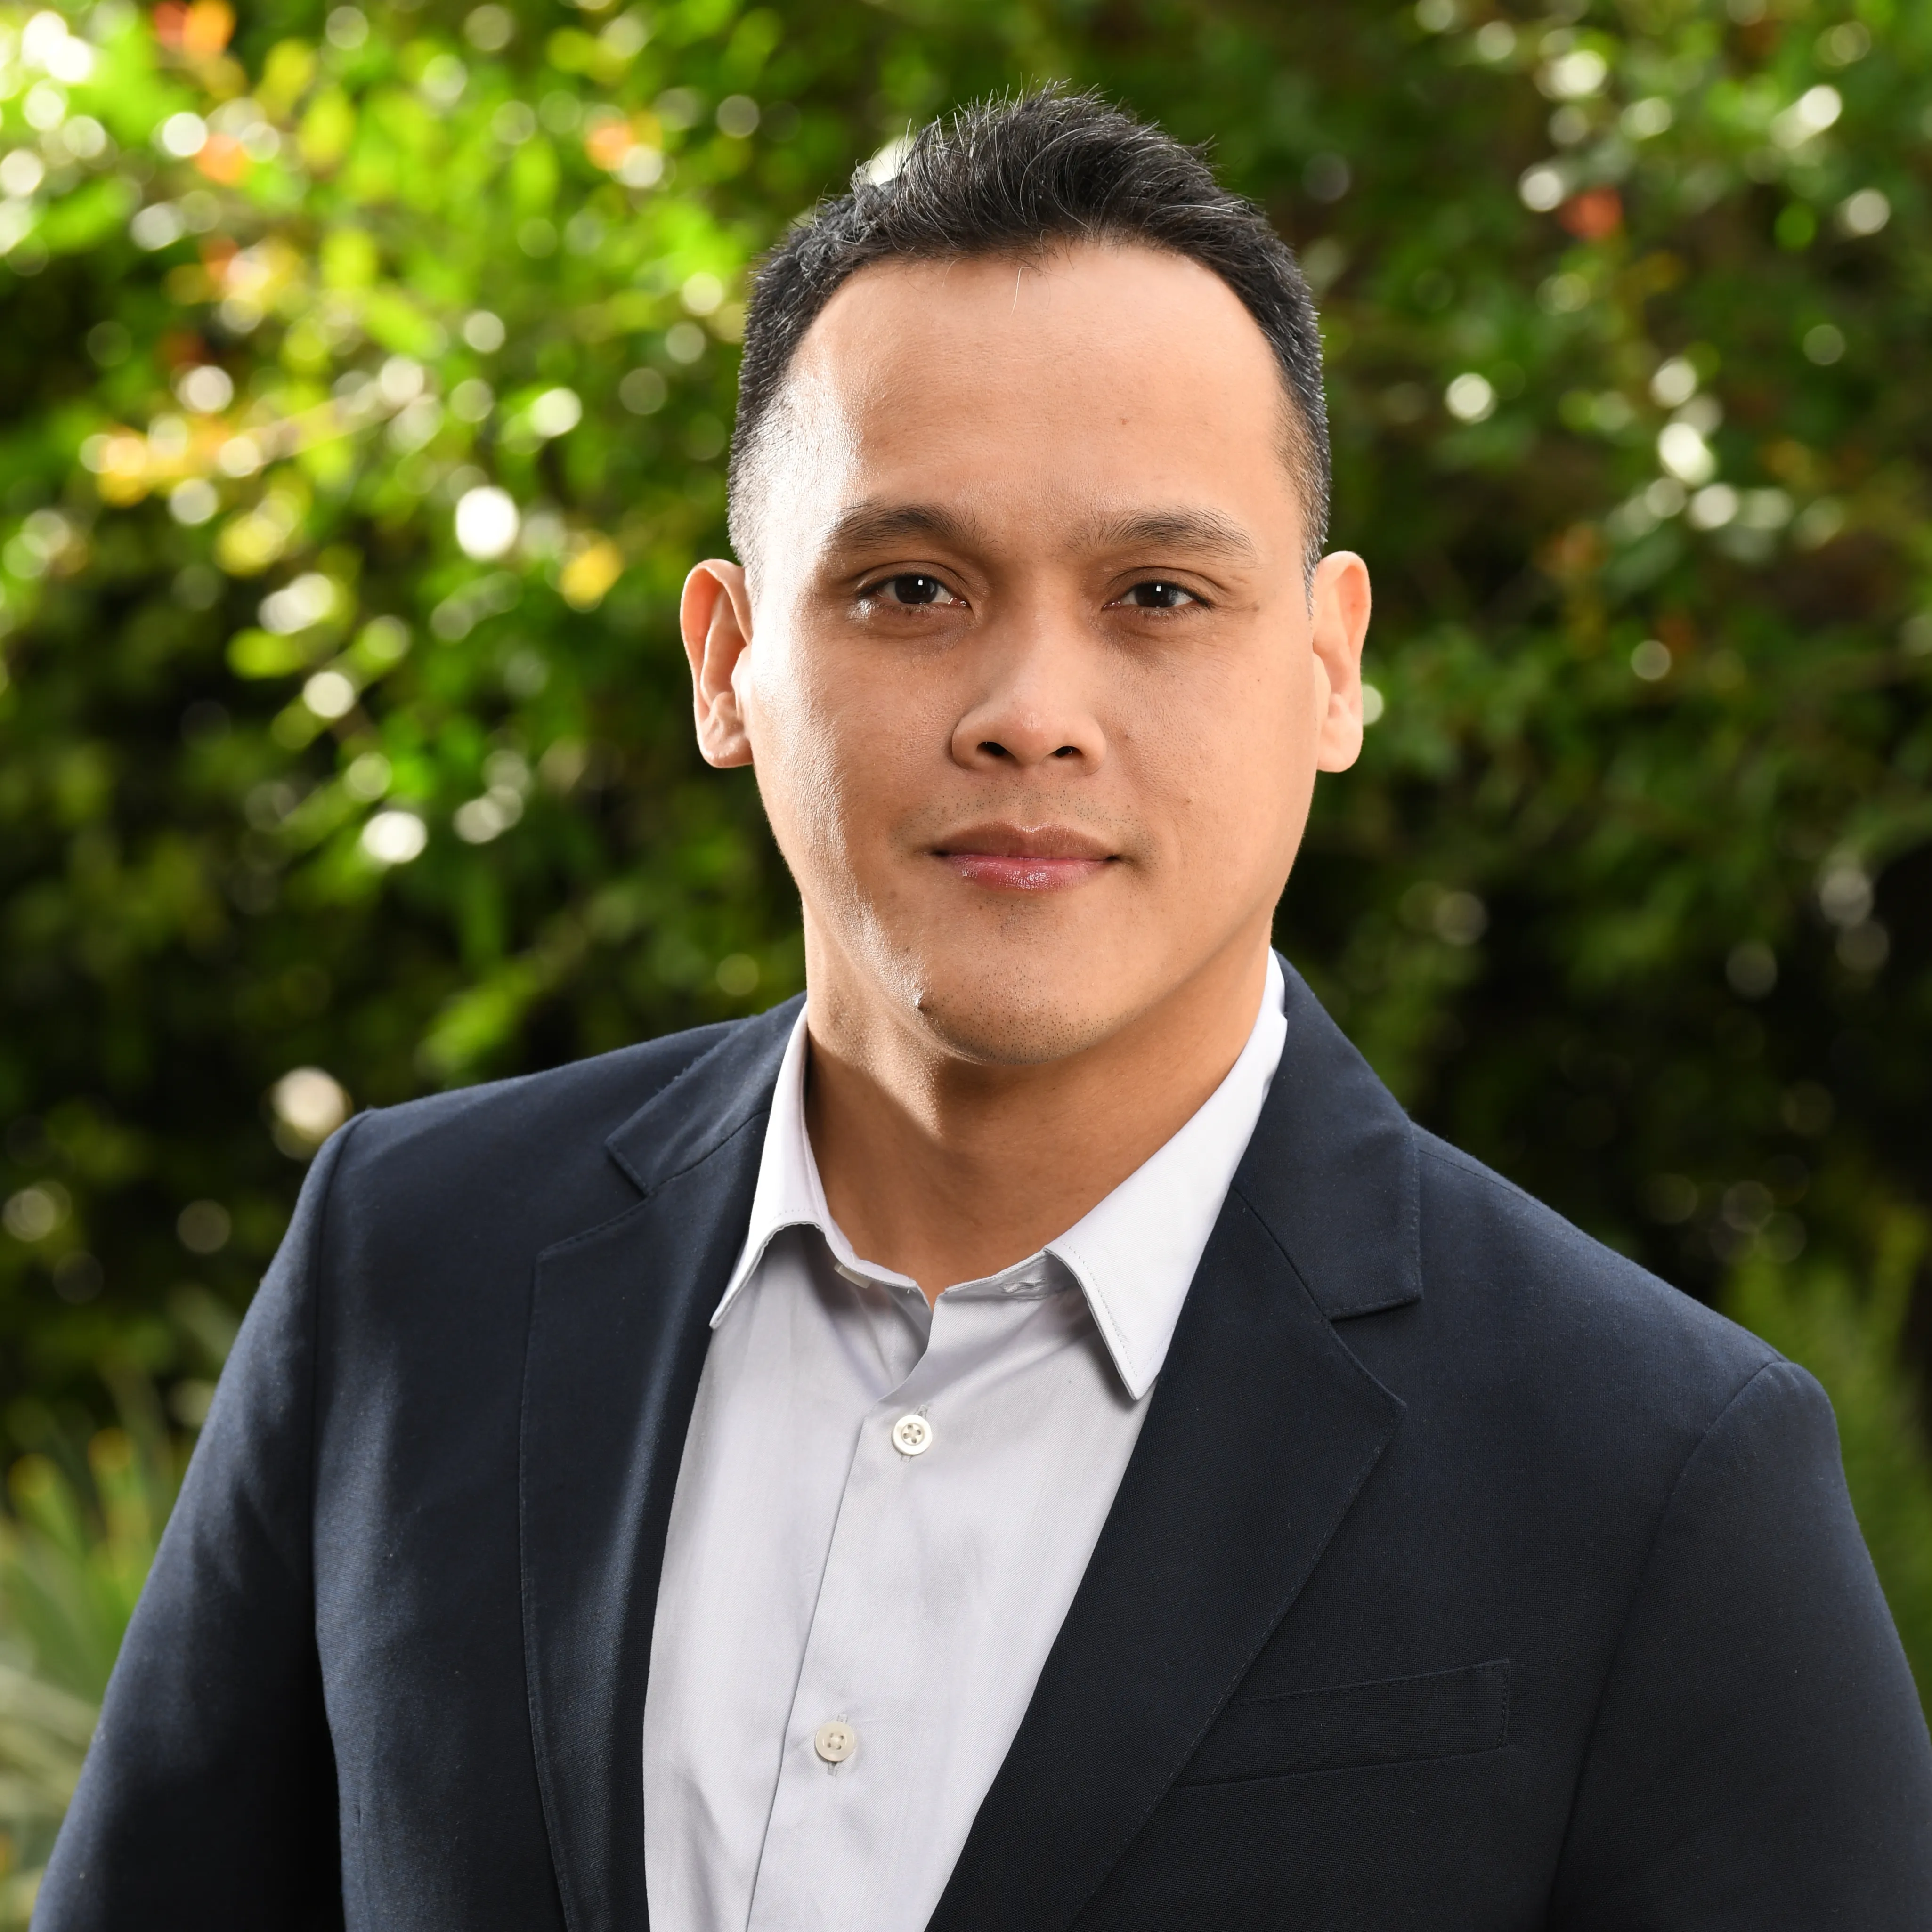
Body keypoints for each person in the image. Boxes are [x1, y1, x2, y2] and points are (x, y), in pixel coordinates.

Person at [39, 88, 1931, 1932]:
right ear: (725, 661)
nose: (1028, 704)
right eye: (911, 584)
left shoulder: (1654, 1480)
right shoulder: (409, 1260)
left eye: (1157, 592)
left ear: (1331, 667)